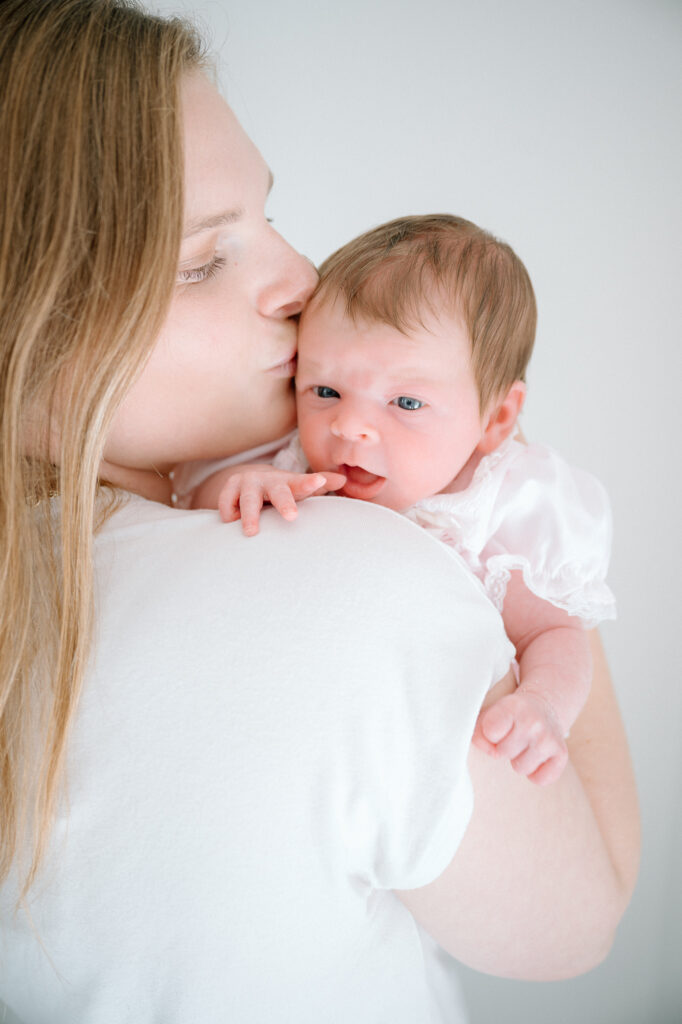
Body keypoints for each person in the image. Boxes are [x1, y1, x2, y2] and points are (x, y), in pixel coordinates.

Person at [0, 2, 639, 1022]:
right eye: (205, 261)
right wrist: (503, 498)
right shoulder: (352, 578)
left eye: (269, 218)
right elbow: (581, 915)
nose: (301, 281)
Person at [177, 214, 616, 786]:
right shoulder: (290, 461)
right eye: (326, 391)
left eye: (406, 403)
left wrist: (544, 706)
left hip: (429, 769)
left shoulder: (496, 505)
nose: (350, 425)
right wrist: (239, 486)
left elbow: (554, 635)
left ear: (498, 417)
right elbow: (202, 495)